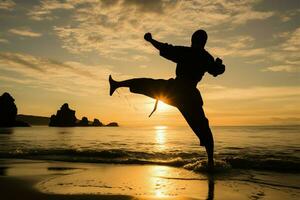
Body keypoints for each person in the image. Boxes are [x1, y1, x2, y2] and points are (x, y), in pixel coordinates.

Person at [109, 30, 225, 170]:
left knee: (147, 83)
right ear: (203, 42)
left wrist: (151, 41)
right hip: (187, 95)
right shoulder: (205, 57)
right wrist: (219, 65)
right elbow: (216, 71)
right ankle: (211, 161)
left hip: (176, 91)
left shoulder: (189, 53)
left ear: (194, 40)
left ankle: (117, 84)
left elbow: (165, 48)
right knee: (203, 127)